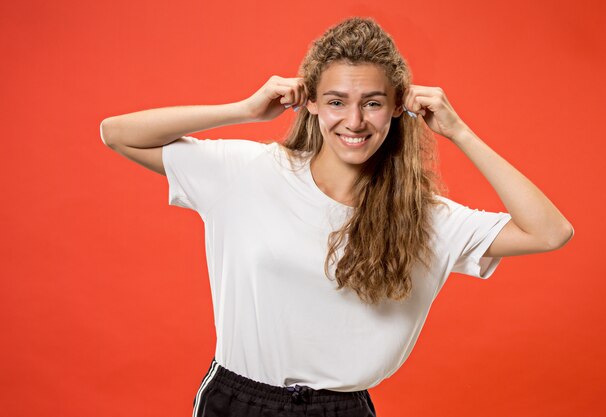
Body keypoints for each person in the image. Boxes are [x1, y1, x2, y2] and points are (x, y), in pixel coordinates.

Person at [100, 16, 573, 417]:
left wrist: (459, 131)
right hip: (238, 399)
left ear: (397, 108)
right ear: (310, 102)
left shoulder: (424, 217)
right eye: (336, 101)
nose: (354, 121)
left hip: (342, 409)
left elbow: (551, 232)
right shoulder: (250, 171)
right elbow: (117, 133)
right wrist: (243, 110)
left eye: (372, 102)